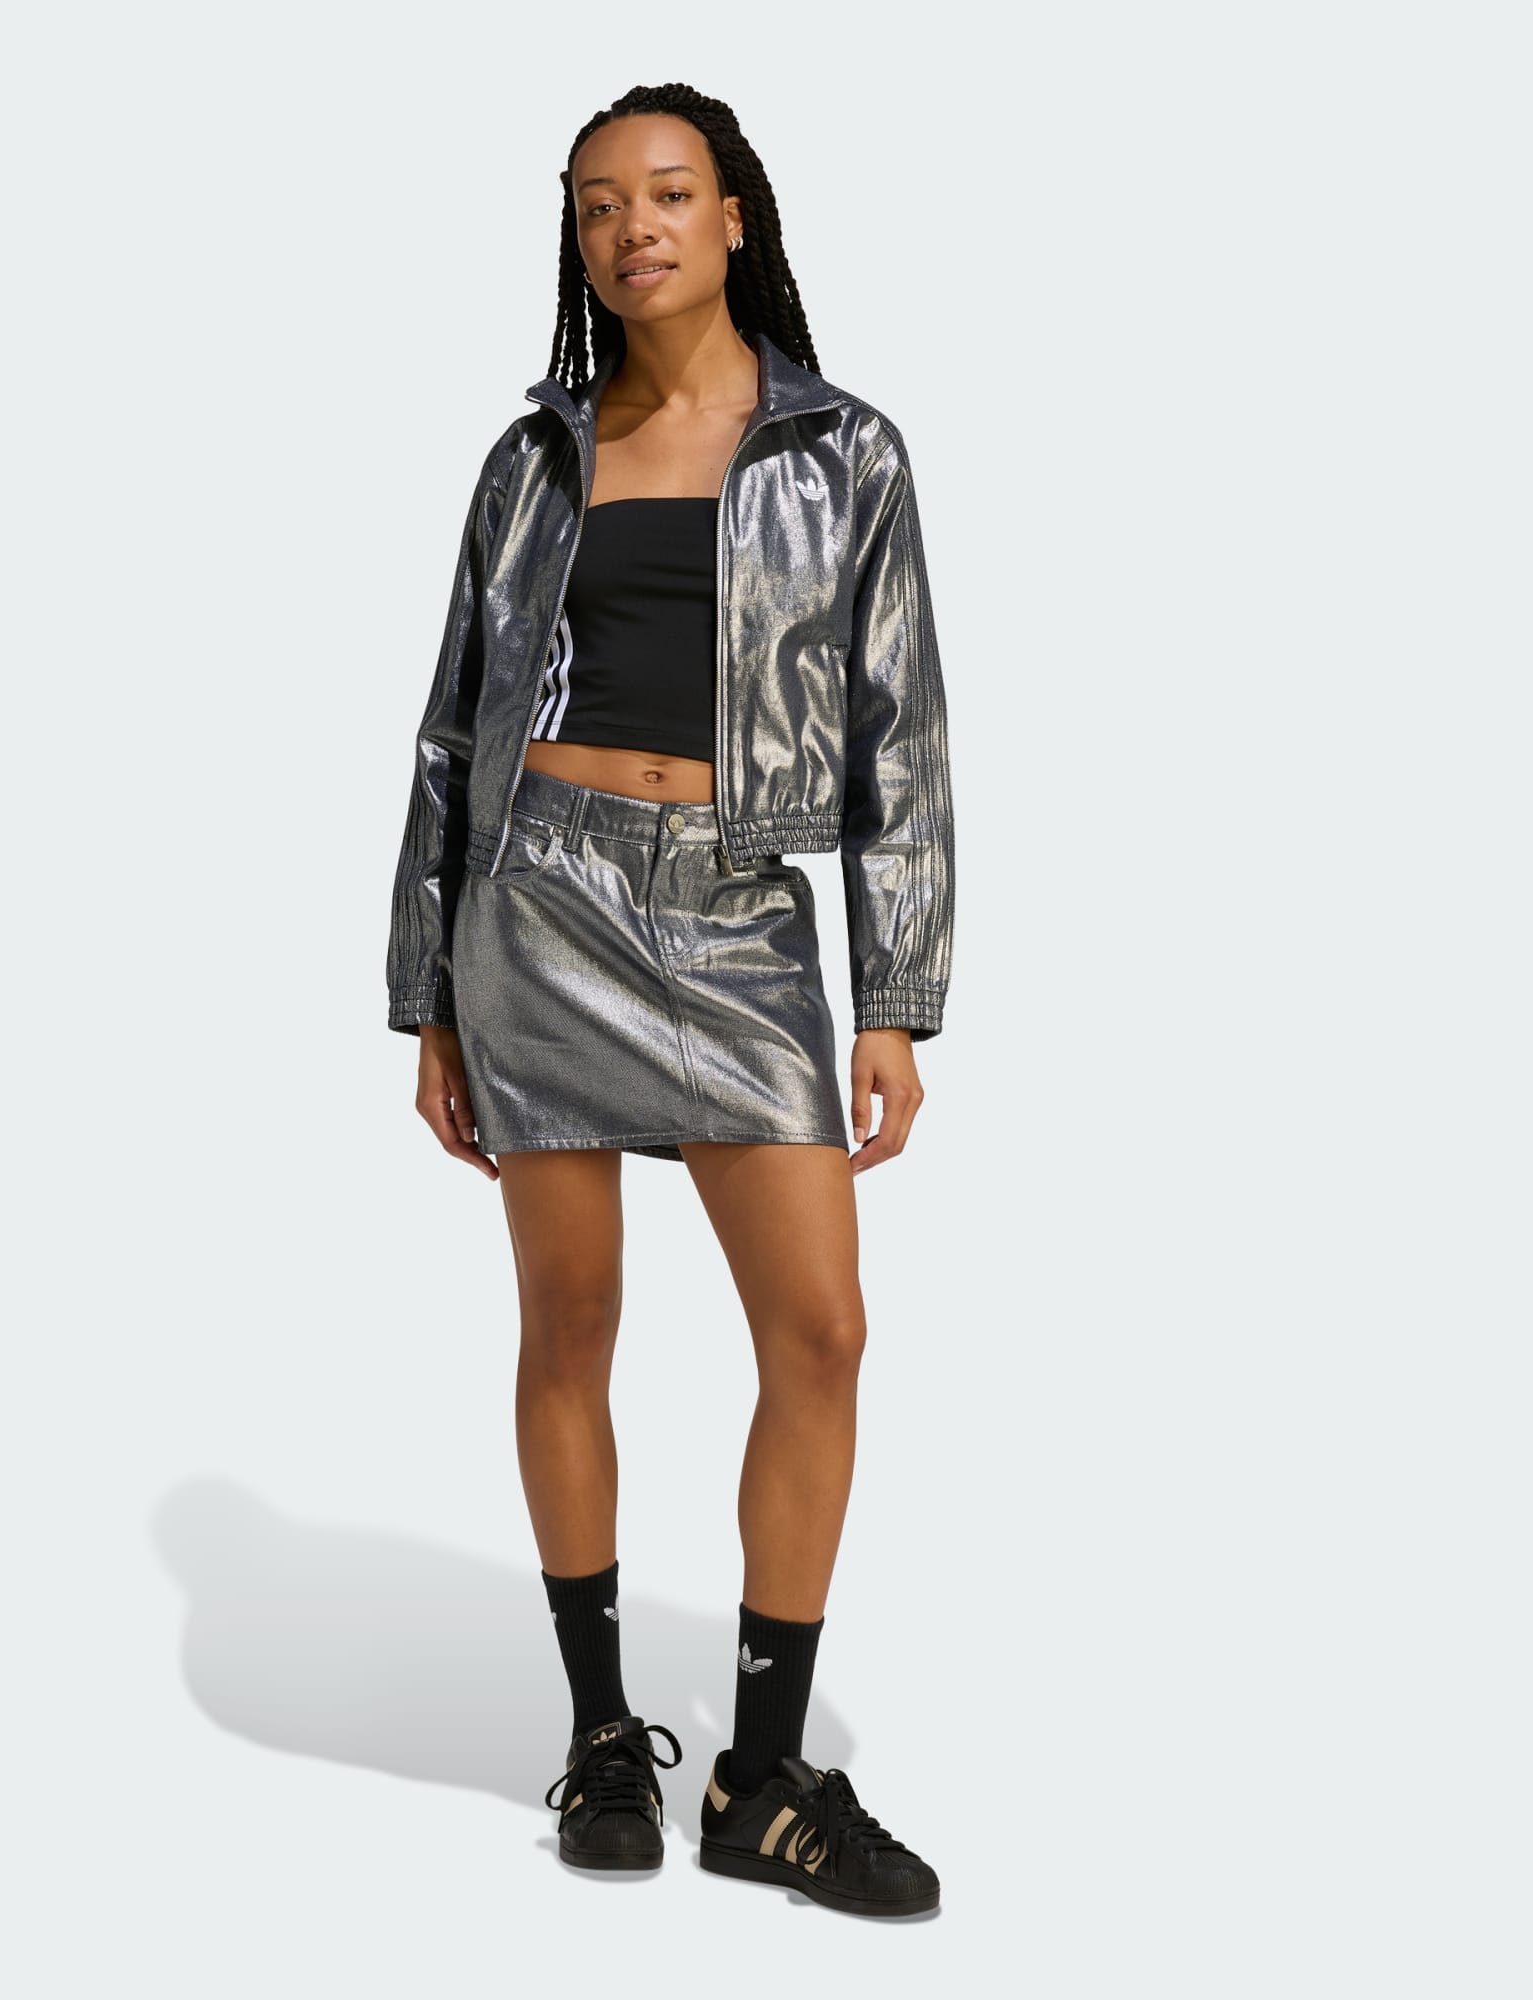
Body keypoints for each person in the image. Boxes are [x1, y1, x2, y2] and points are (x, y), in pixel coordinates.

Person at [385, 82, 955, 1919]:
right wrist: (428, 990)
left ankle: (766, 1779)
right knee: (571, 1321)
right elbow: (453, 724)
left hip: (739, 914)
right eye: (597, 204)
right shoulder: (532, 460)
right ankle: (601, 1736)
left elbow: (901, 735)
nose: (632, 227)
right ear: (579, 241)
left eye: (666, 192)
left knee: (823, 1333)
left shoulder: (842, 453)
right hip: (539, 901)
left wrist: (894, 992)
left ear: (732, 218)